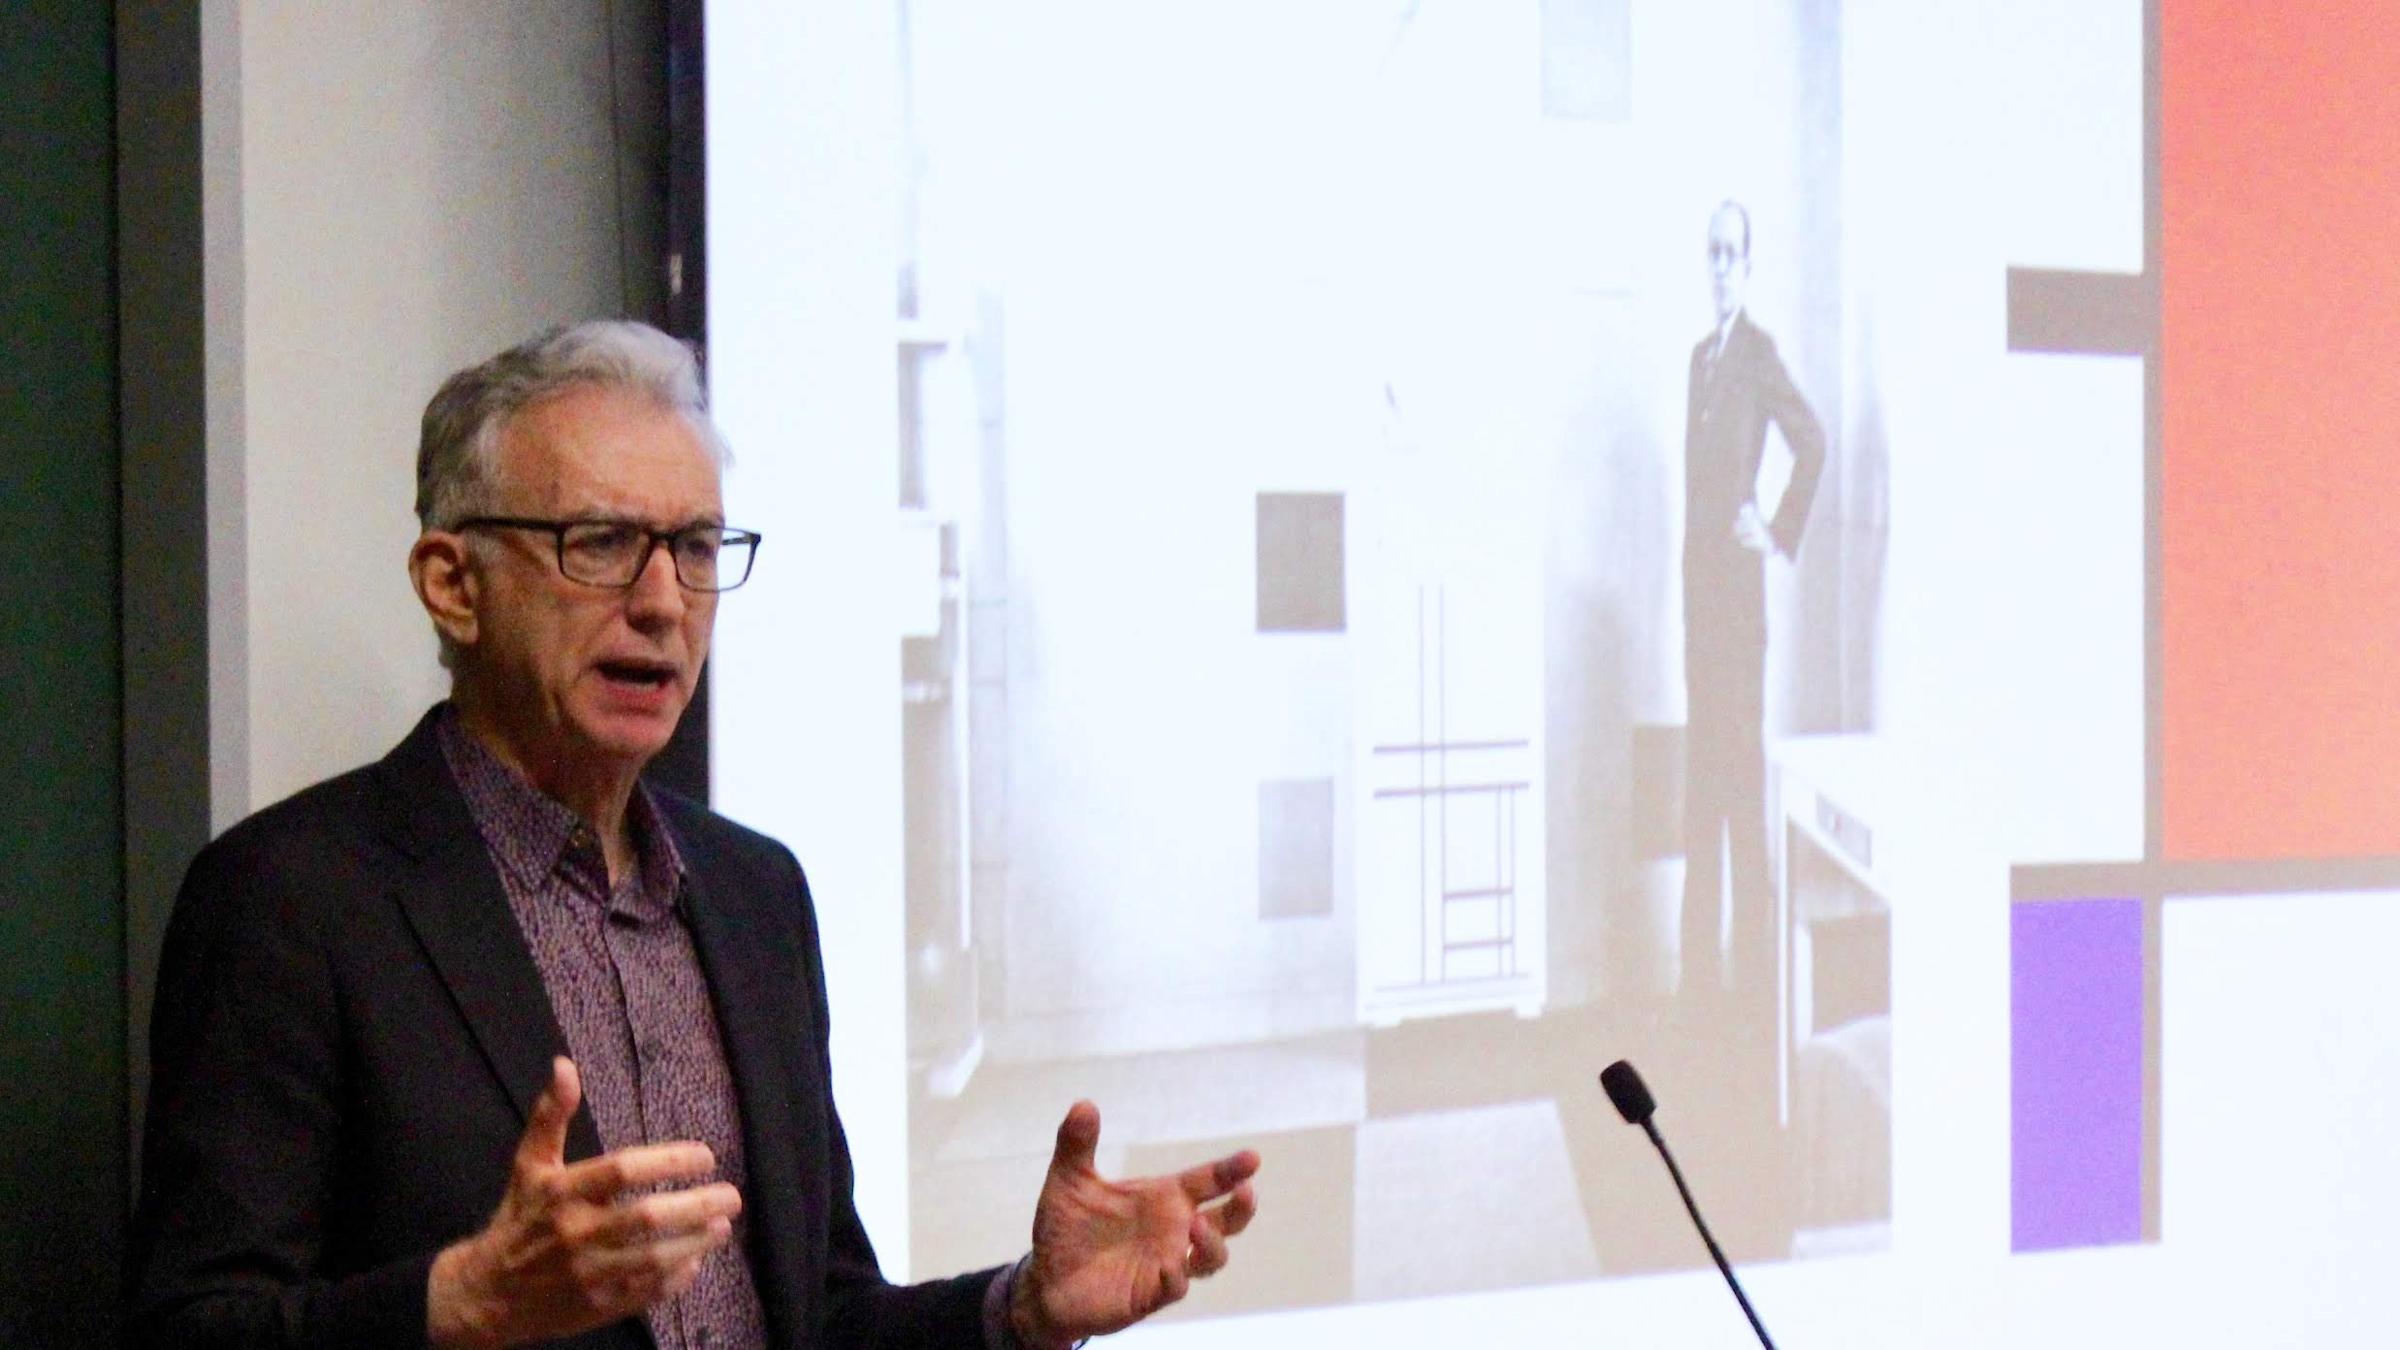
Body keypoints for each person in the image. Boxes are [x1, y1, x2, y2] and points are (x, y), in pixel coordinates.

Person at [127, 321, 1259, 1349]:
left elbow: (820, 1313)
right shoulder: (293, 898)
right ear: (452, 585)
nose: (666, 601)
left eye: (700, 549)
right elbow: (190, 1330)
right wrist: (458, 1303)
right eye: (603, 542)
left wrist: (1019, 1309)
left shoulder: (755, 893)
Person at [1679, 200, 1825, 1032]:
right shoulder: (1700, 359)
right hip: (1700, 617)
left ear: (1751, 264)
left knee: (1739, 795)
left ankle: (1754, 1000)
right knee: (1701, 800)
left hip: (1740, 616)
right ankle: (1697, 996)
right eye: (1712, 252)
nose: (1723, 265)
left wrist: (1773, 529)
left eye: (1734, 252)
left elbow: (1815, 442)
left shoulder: (1758, 355)